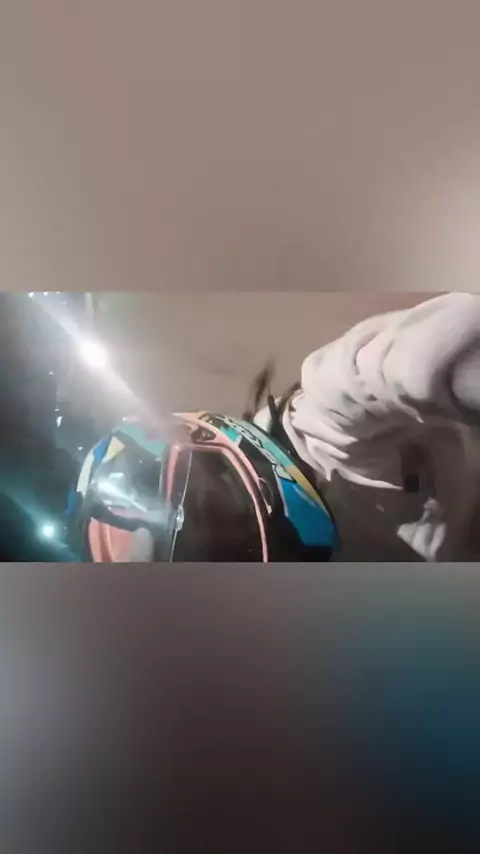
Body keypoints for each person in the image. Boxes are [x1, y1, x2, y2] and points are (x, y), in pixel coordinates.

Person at [73, 292, 480, 562]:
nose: (235, 539)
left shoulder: (324, 422)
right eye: (219, 558)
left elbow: (417, 361)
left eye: (213, 512)